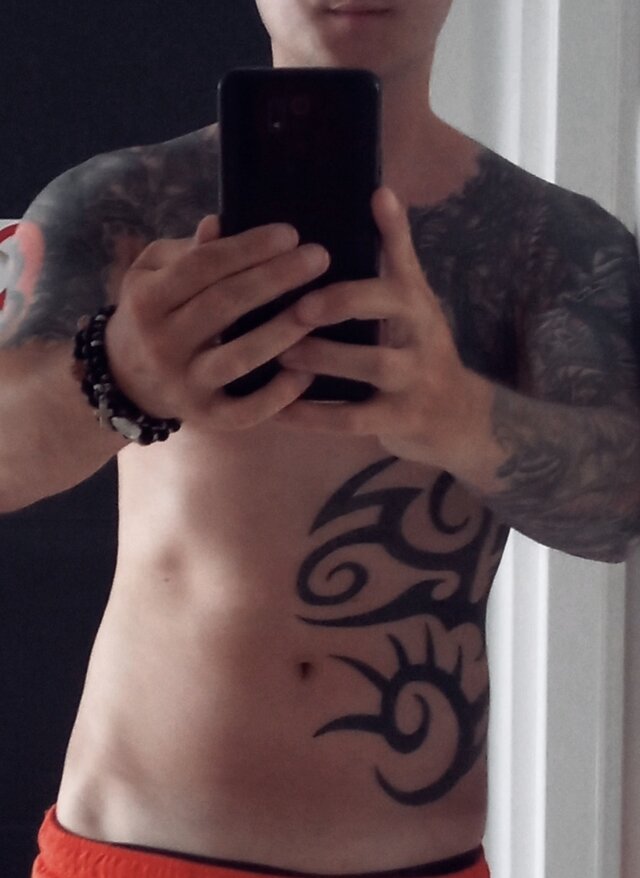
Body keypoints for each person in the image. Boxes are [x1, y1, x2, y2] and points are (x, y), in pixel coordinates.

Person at [2, 1, 640, 876]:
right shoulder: (123, 204)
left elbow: (620, 512)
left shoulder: (550, 243)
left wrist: (457, 415)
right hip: (141, 849)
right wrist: (118, 373)